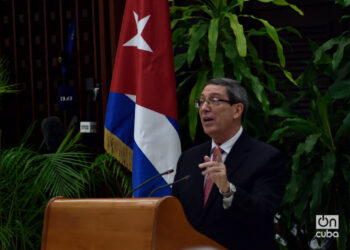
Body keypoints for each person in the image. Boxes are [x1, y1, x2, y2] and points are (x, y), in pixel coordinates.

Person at [172, 78, 286, 250]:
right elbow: (176, 216)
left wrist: (227, 190)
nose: (204, 108)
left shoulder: (266, 158)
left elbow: (263, 216)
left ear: (237, 110)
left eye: (214, 100)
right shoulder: (189, 158)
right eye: (201, 101)